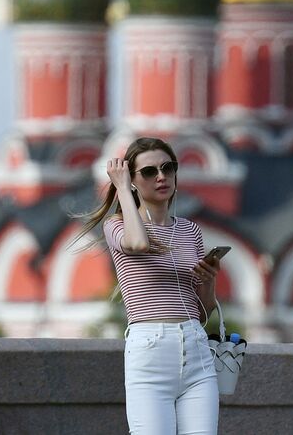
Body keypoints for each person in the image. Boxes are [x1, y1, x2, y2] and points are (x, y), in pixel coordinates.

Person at [76, 136, 222, 434]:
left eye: (168, 168)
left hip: (195, 348)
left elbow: (203, 311)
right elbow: (138, 243)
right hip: (150, 353)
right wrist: (121, 189)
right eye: (148, 172)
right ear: (132, 180)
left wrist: (208, 282)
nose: (161, 177)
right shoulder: (116, 225)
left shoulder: (189, 230)